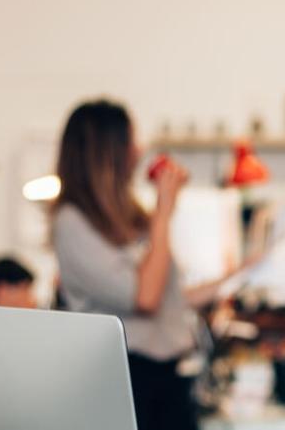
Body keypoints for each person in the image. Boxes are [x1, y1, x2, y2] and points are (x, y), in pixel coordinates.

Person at [50, 99, 243, 430]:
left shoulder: (131, 218)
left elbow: (172, 297)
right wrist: (164, 211)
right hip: (124, 379)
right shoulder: (72, 223)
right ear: (107, 150)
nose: (138, 152)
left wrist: (240, 275)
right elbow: (145, 298)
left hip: (166, 378)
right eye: (130, 141)